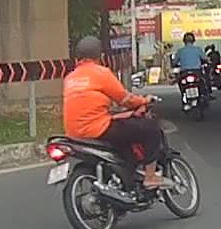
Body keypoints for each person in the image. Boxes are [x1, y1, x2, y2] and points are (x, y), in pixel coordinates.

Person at [63, 36, 170, 190]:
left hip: (73, 132)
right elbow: (125, 100)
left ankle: (126, 176)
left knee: (124, 135)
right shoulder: (101, 73)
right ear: (100, 56)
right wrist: (144, 100)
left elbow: (88, 106)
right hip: (98, 129)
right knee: (151, 129)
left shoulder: (70, 78)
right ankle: (150, 177)